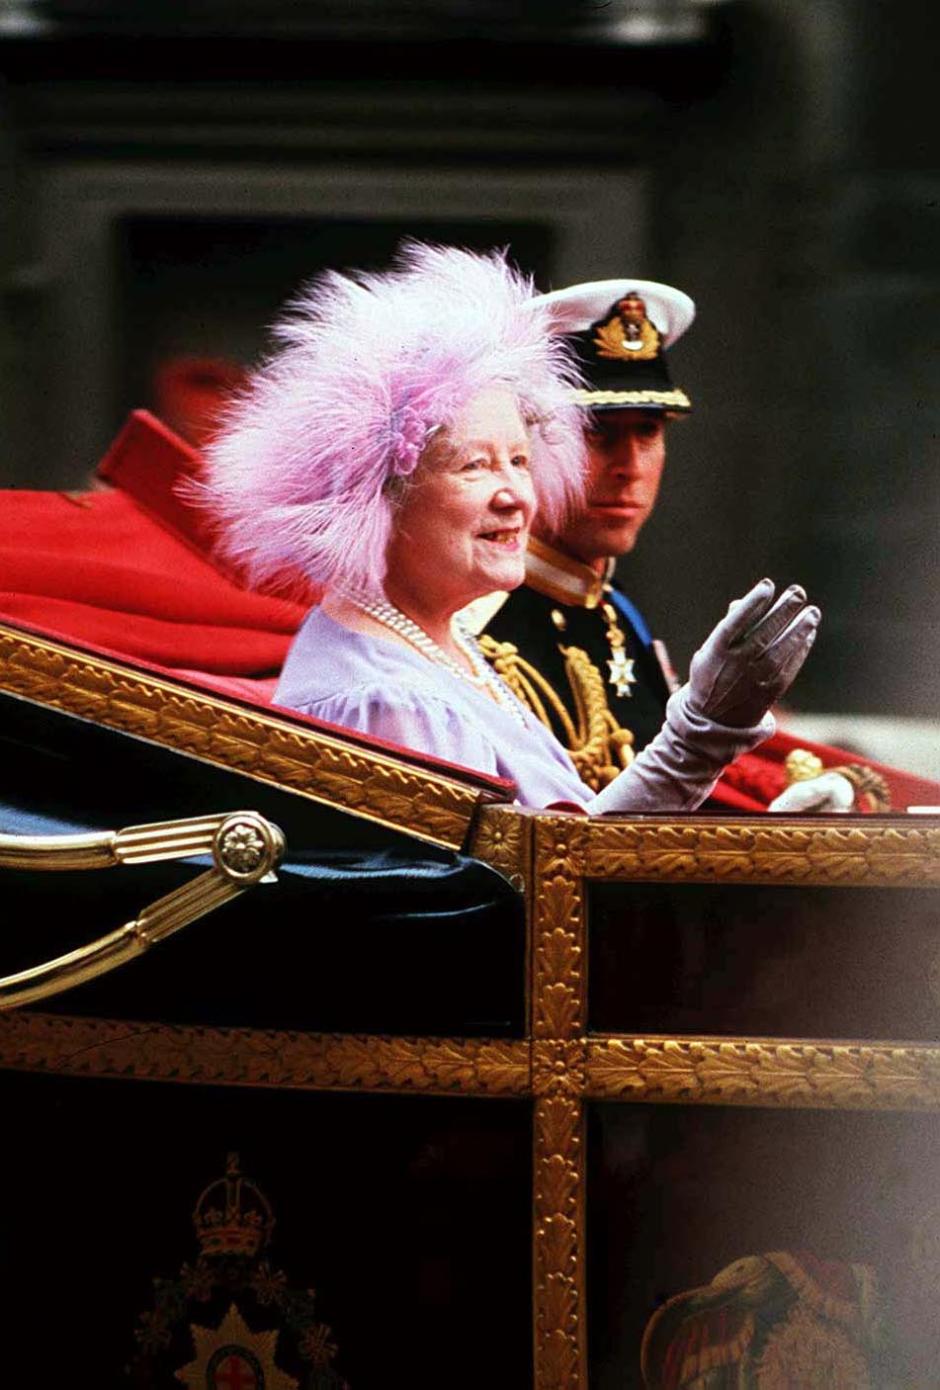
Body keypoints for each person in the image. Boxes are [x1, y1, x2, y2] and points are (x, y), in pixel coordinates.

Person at [200, 243, 819, 814]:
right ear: (380, 491)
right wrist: (699, 738)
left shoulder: (438, 644)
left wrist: (727, 772)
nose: (517, 497)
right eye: (475, 466)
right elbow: (529, 910)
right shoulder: (389, 701)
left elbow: (568, 847)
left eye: (520, 462)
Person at [471, 278, 883, 813]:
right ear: (525, 446)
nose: (630, 467)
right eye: (599, 432)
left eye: (648, 431)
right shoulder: (476, 622)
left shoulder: (614, 610)